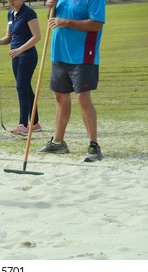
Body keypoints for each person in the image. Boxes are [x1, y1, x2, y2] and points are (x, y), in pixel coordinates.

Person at [38, 0, 105, 162]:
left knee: (82, 98)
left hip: (82, 55)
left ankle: (93, 145)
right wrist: (50, 8)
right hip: (59, 53)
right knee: (60, 97)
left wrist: (67, 22)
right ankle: (58, 142)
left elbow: (96, 24)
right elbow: (52, 20)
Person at [0, 0, 42, 136]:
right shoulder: (10, 14)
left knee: (21, 88)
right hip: (16, 56)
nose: (10, 1)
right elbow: (9, 37)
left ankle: (23, 124)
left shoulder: (29, 13)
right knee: (25, 87)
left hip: (28, 55)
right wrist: (0, 42)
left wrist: (20, 49)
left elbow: (37, 36)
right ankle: (35, 123)